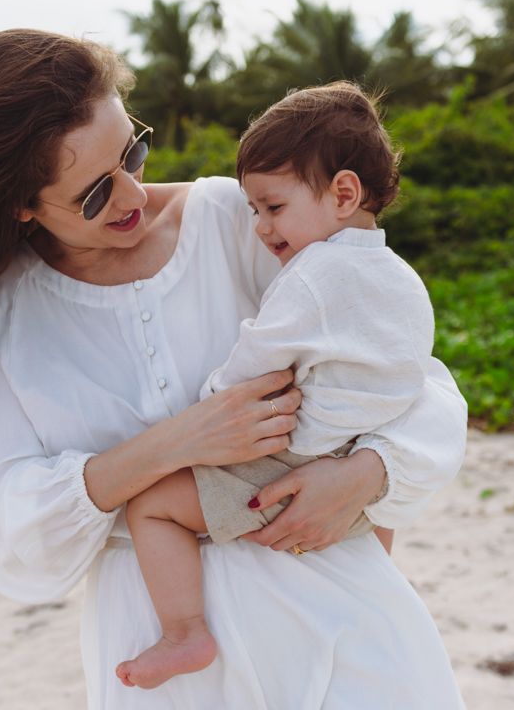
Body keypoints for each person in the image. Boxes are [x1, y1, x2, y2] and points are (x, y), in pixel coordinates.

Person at [0, 29, 468, 709]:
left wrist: (366, 475)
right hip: (167, 659)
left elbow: (409, 380)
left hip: (341, 614)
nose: (132, 195)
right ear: (20, 204)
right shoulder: (8, 304)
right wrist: (176, 444)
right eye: (94, 194)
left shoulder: (233, 221)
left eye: (133, 153)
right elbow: (8, 530)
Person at [116, 82, 438, 690]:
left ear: (343, 193)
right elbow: (416, 374)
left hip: (292, 460)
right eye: (254, 210)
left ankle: (184, 632)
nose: (261, 228)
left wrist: (214, 399)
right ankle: (372, 581)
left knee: (152, 506)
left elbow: (259, 355)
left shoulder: (313, 273)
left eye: (272, 206)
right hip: (367, 472)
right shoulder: (403, 278)